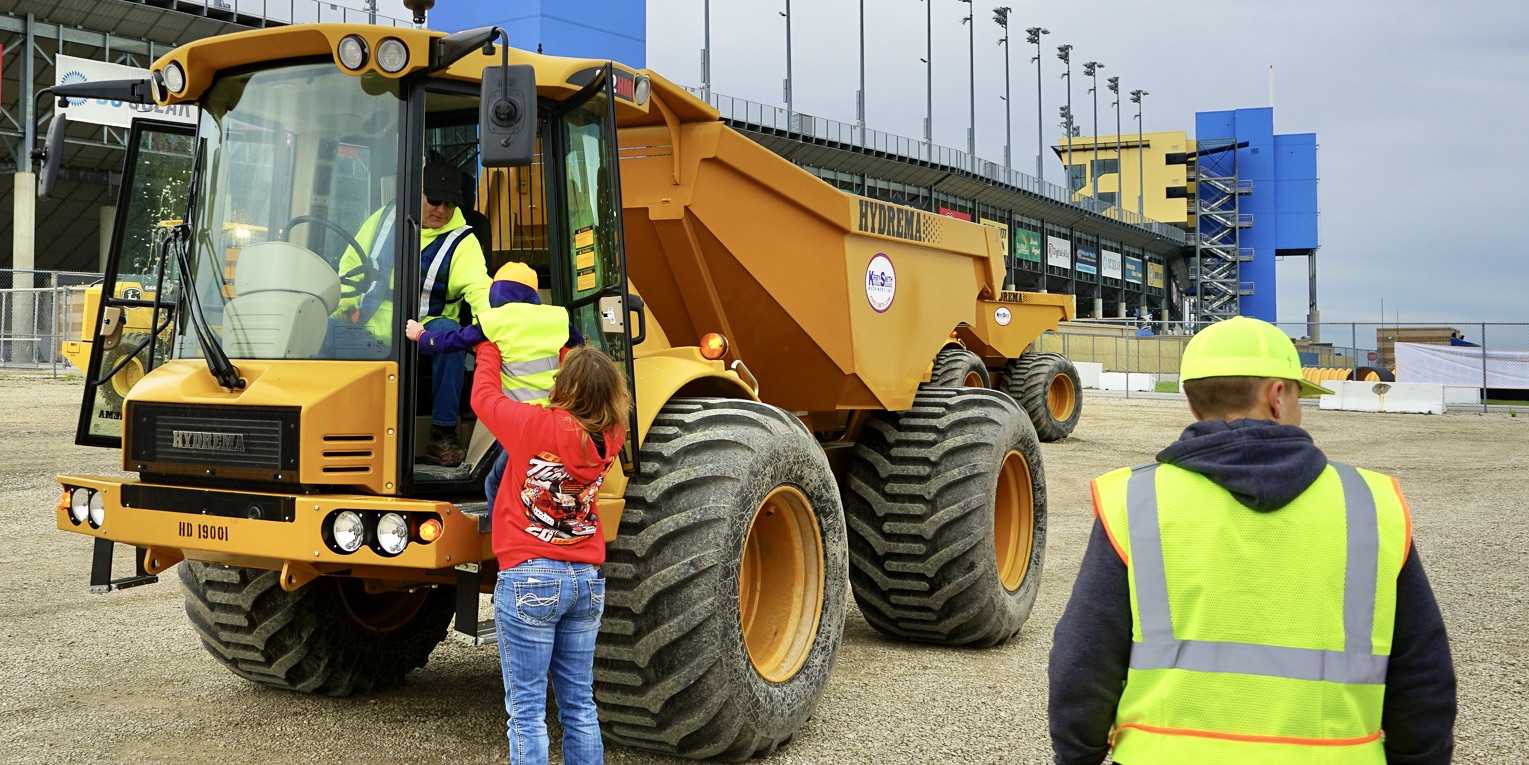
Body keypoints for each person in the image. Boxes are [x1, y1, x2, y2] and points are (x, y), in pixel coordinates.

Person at [1049, 316, 1456, 765]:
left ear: (1192, 403)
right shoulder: (1371, 506)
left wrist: (1077, 756)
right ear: (1277, 397)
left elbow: (1082, 664)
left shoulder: (1135, 501)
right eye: (1301, 394)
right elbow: (1422, 679)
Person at [472, 338, 630, 765]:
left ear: (564, 387)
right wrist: (568, 352)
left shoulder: (532, 426)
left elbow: (484, 396)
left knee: (526, 712)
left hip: (531, 576)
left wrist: (490, 350)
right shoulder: (613, 436)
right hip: (585, 582)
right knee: (579, 705)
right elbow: (590, 393)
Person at [336, 160, 492, 466]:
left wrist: (487, 330)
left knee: (451, 336)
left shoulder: (463, 241)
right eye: (434, 200)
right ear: (414, 194)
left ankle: (442, 436)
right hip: (370, 326)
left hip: (426, 328)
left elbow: (480, 290)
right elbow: (349, 265)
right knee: (321, 332)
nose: (442, 210)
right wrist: (345, 307)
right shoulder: (381, 220)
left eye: (450, 203)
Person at [404, 261, 583, 506]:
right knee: (537, 475)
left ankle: (504, 525)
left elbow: (452, 341)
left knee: (499, 481)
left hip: (516, 419)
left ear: (496, 292)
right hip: (553, 416)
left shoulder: (494, 320)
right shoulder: (557, 317)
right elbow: (579, 346)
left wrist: (421, 335)